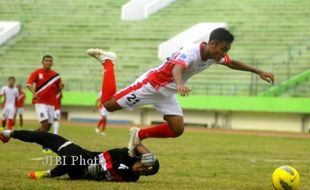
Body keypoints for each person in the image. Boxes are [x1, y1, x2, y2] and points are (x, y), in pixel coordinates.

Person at [86, 28, 275, 156]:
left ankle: (138, 135)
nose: (224, 54)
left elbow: (232, 63)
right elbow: (177, 68)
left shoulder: (215, 56)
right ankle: (108, 61)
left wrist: (259, 72)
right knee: (108, 105)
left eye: (227, 50)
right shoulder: (191, 51)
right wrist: (179, 84)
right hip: (152, 85)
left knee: (177, 129)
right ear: (213, 44)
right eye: (223, 49)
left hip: (167, 93)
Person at [0, 128, 160, 182]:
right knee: (45, 136)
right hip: (84, 154)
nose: (141, 171)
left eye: (145, 173)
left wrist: (95, 173)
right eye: (144, 167)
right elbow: (136, 142)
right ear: (143, 160)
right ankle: (7, 133)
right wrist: (150, 154)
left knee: (72, 160)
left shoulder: (131, 177)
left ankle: (48, 174)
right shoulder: (130, 154)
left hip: (82, 170)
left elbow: (100, 172)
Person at [26, 55, 64, 153]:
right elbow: (28, 84)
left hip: (51, 104)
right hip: (40, 102)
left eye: (50, 61)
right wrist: (34, 94)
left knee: (48, 126)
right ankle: (45, 146)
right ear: (42, 62)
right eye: (46, 60)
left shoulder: (56, 75)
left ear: (52, 63)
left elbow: (58, 89)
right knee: (45, 123)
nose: (48, 62)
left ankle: (33, 134)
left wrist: (61, 87)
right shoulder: (37, 72)